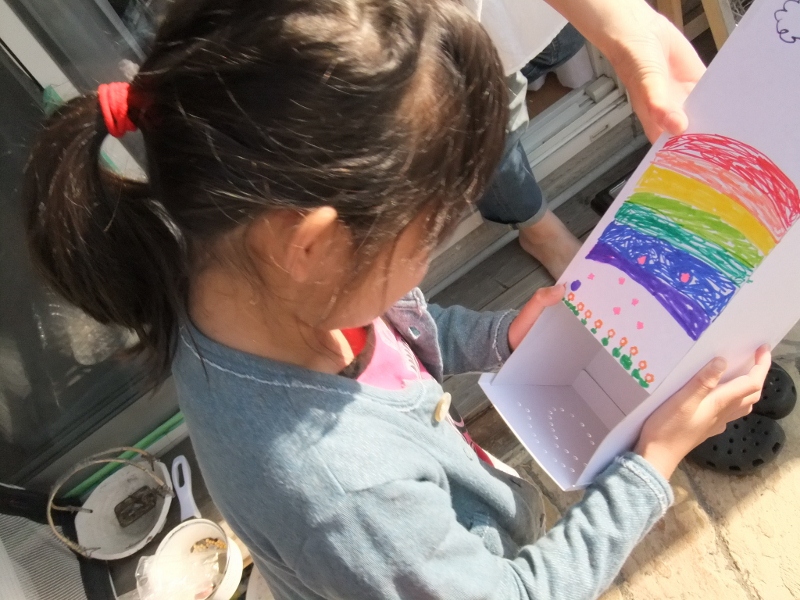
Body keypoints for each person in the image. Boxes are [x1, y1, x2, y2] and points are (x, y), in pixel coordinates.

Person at [24, 0, 767, 598]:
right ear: (313, 245)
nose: (433, 250)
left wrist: (499, 339)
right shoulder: (348, 497)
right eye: (431, 231)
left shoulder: (244, 286)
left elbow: (403, 341)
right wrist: (650, 465)